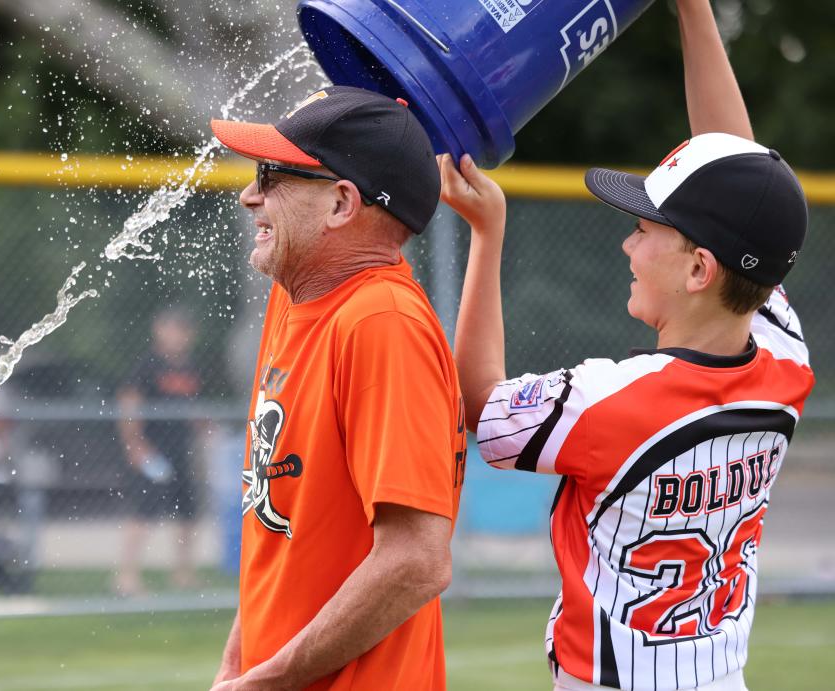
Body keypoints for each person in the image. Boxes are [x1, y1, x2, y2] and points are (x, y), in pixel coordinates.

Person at [441, 2, 813, 690]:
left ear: (700, 269)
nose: (627, 241)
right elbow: (741, 182)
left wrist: (486, 235)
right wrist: (694, 12)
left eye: (646, 229)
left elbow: (475, 401)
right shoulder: (782, 357)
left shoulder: (608, 399)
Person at [207, 86, 467, 690]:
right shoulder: (295, 292)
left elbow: (417, 561)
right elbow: (280, 533)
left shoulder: (379, 322)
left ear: (342, 204)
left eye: (272, 175)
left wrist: (263, 682)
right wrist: (236, 668)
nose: (250, 195)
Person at [114, 307, 203, 596]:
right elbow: (129, 403)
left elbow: (190, 408)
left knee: (187, 513)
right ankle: (127, 577)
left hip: (181, 450)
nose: (177, 336)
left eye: (182, 330)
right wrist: (135, 445)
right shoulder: (148, 365)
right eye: (171, 329)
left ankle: (183, 574)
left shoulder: (189, 367)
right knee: (143, 511)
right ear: (159, 331)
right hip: (152, 449)